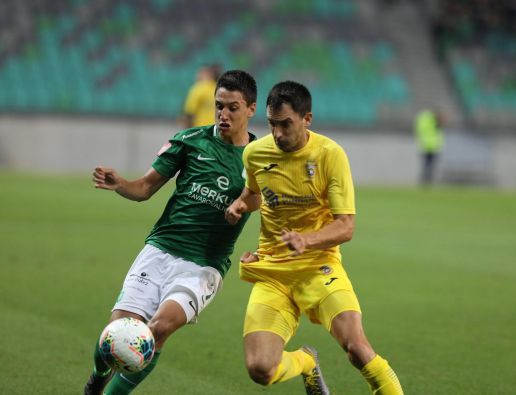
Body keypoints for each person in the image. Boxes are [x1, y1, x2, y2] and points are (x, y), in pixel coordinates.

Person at [84, 69, 257, 395]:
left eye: (232, 107)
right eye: (219, 105)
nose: (223, 114)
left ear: (251, 108)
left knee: (157, 331)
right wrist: (120, 183)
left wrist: (243, 205)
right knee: (117, 332)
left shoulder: (259, 157)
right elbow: (146, 187)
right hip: (161, 248)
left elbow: (263, 197)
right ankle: (96, 375)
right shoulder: (189, 141)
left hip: (203, 264)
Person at [225, 81, 404, 395]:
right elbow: (255, 192)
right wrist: (241, 204)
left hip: (319, 267)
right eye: (272, 124)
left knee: (357, 349)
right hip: (273, 272)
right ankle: (307, 362)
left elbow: (346, 226)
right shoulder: (255, 153)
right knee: (261, 369)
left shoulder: (330, 154)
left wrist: (307, 241)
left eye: (286, 124)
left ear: (307, 119)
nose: (278, 134)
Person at [180, 63, 222, 128]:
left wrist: (187, 133)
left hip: (201, 131)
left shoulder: (199, 88)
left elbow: (189, 113)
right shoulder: (222, 89)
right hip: (217, 131)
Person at [414, 108, 445, 184]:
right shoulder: (432, 122)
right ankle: (427, 181)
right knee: (428, 165)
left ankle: (426, 180)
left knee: (428, 165)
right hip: (430, 147)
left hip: (429, 146)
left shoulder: (428, 122)